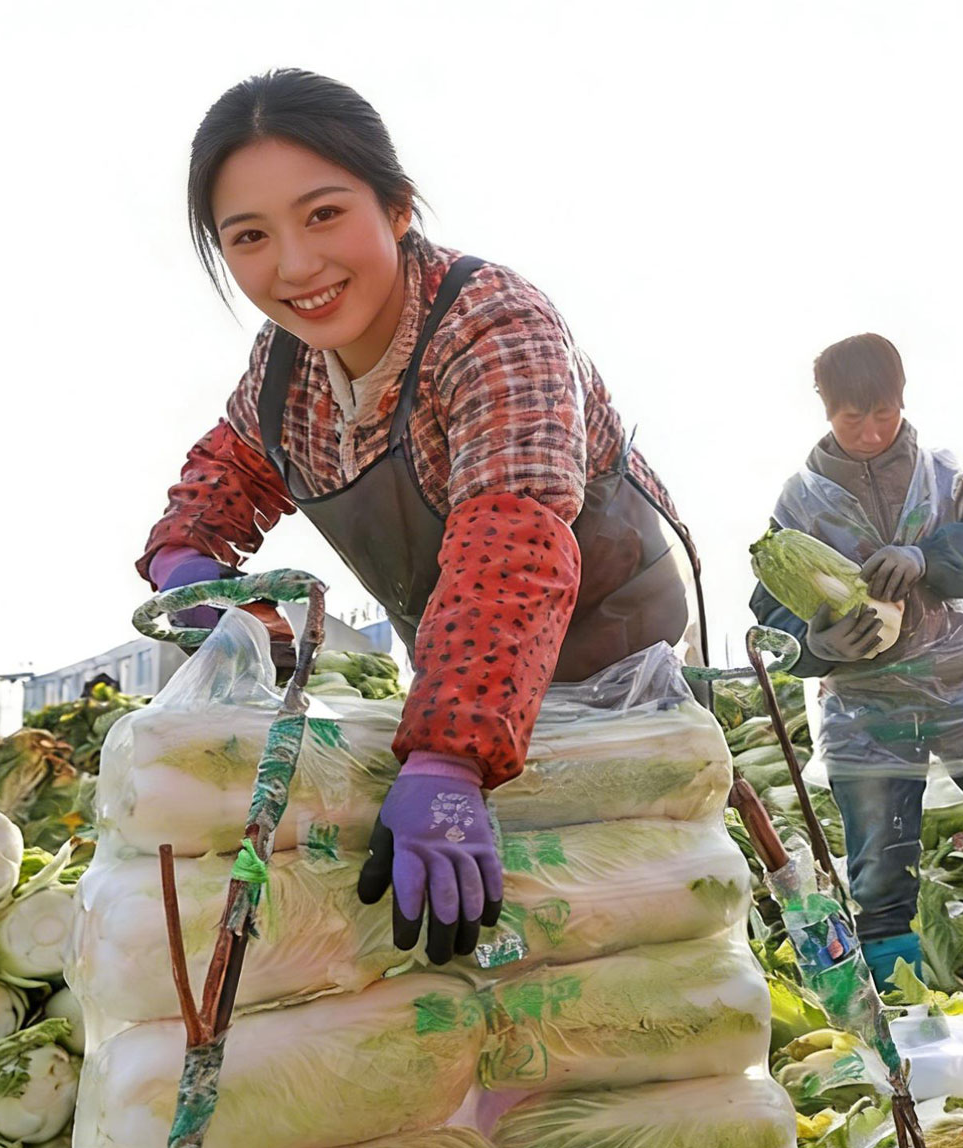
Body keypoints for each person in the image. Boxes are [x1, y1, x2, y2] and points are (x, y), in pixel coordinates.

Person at [142, 70, 690, 963]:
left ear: (397, 206)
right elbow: (230, 463)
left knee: (621, 943)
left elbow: (513, 541)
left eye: (324, 214)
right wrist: (185, 561)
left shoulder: (495, 326)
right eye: (250, 236)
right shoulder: (287, 367)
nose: (295, 265)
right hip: (464, 689)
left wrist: (447, 755)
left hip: (623, 695)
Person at [750, 334, 963, 985]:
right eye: (853, 417)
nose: (872, 432)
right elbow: (769, 613)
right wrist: (816, 645)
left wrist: (927, 558)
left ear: (903, 400)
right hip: (865, 707)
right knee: (878, 872)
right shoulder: (798, 504)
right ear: (825, 408)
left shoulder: (944, 477)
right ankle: (901, 1003)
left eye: (885, 413)